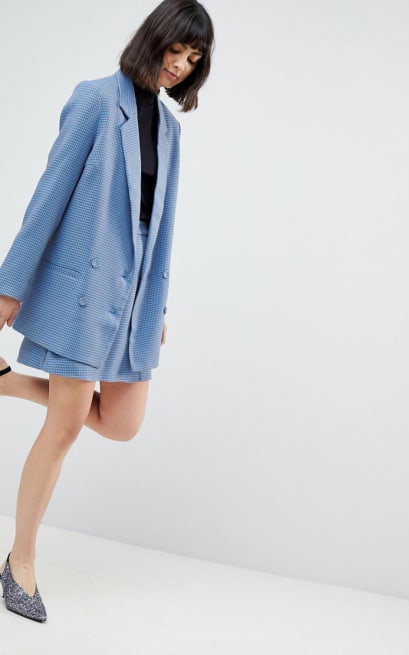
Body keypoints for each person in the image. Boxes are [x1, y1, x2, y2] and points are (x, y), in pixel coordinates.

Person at [0, 0, 214, 622]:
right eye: (175, 50)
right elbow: (49, 194)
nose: (180, 65)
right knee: (65, 426)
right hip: (82, 290)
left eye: (193, 58)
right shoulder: (95, 99)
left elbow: (160, 226)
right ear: (155, 39)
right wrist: (9, 287)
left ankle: (6, 383)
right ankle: (19, 563)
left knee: (121, 423)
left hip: (134, 295)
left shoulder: (170, 129)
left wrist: (156, 304)